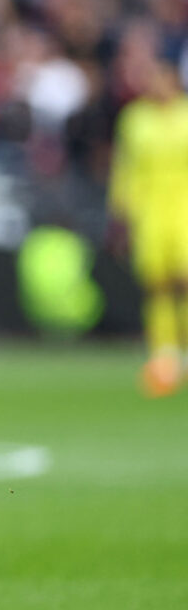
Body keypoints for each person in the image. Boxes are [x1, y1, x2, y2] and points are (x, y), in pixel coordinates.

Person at [108, 55, 188, 397]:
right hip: (150, 212)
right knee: (156, 284)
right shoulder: (135, 118)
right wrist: (120, 214)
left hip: (183, 208)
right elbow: (125, 168)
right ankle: (165, 353)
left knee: (184, 281)